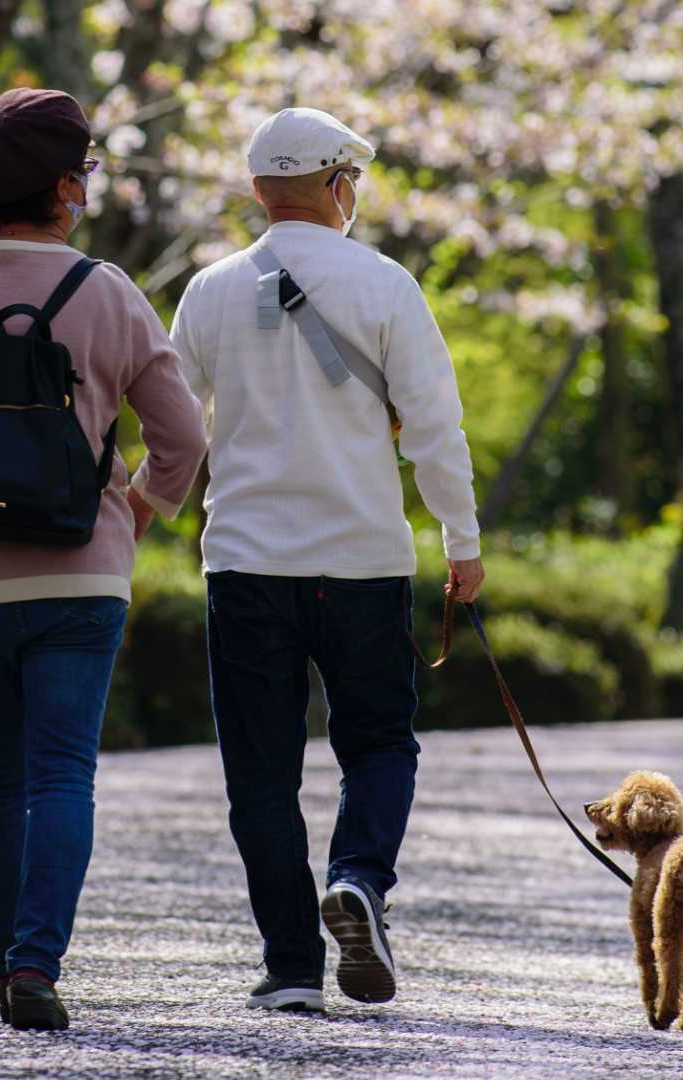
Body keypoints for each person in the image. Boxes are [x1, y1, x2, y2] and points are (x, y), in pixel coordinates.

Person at [0, 88, 207, 1032]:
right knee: (64, 773)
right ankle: (37, 963)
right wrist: (137, 509)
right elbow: (182, 438)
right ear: (64, 187)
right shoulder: (107, 292)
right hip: (79, 572)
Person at [167, 107, 485, 1013]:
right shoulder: (386, 283)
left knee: (260, 771)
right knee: (379, 740)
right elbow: (434, 429)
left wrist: (133, 513)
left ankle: (292, 969)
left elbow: (176, 433)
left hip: (244, 561)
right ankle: (358, 881)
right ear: (339, 184)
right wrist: (462, 544)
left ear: (262, 188)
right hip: (361, 561)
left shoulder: (208, 290)